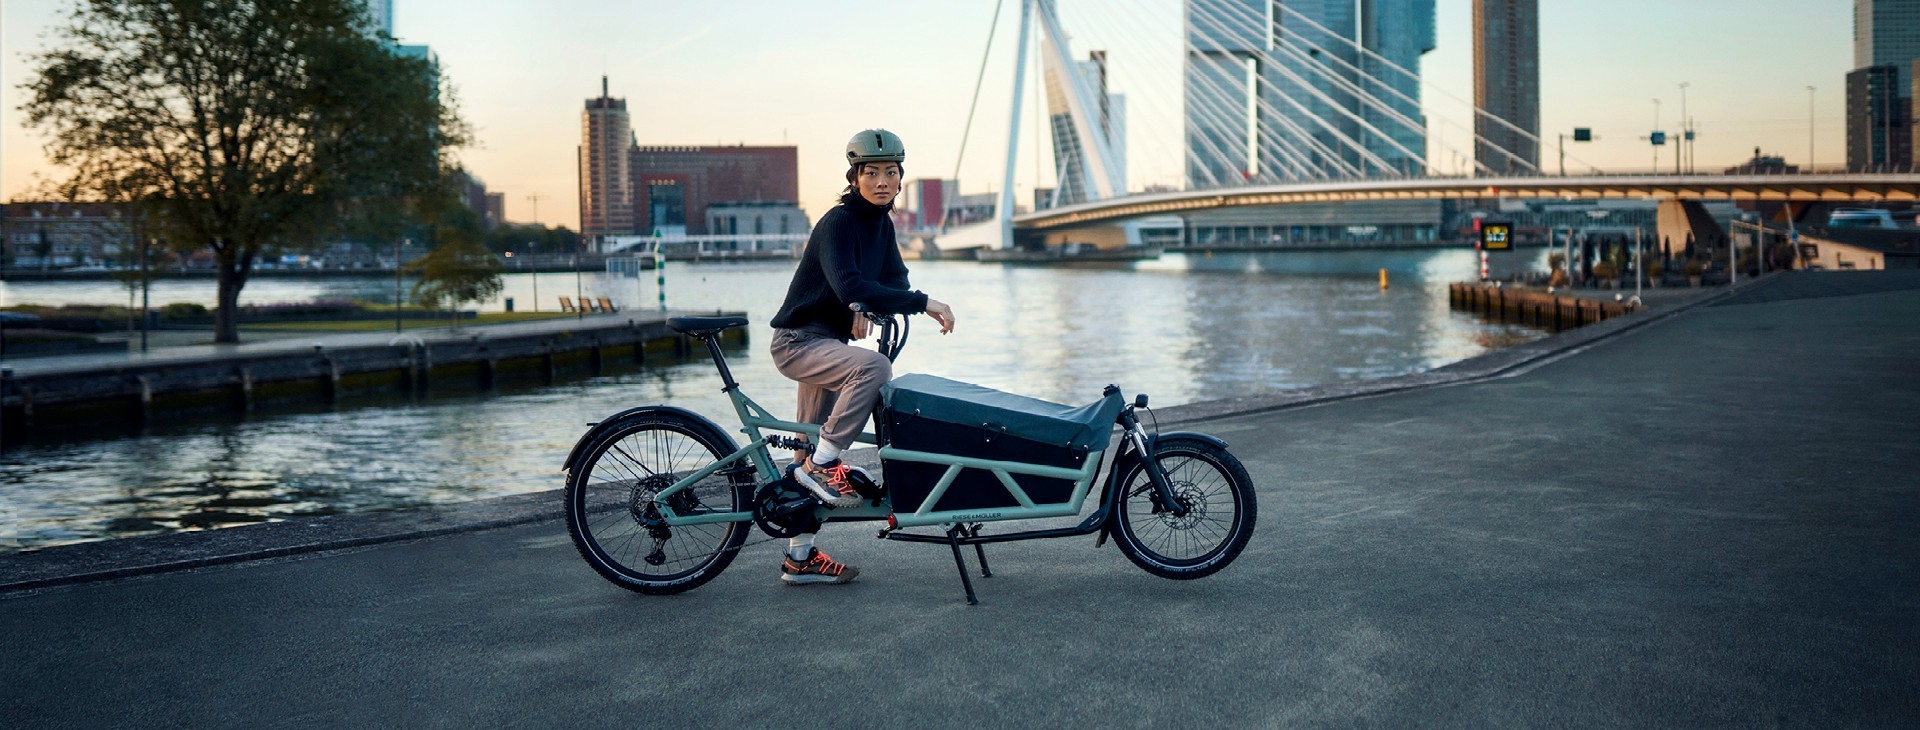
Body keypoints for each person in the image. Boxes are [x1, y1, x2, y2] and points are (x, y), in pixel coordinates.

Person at [766, 128, 955, 586]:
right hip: (798, 342)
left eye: (891, 172)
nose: (881, 181)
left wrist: (866, 305)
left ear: (901, 178)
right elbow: (848, 283)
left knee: (807, 448)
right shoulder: (839, 222)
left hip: (828, 345)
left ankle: (799, 558)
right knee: (874, 367)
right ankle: (825, 464)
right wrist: (921, 303)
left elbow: (894, 280)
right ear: (854, 178)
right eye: (871, 173)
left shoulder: (881, 225)